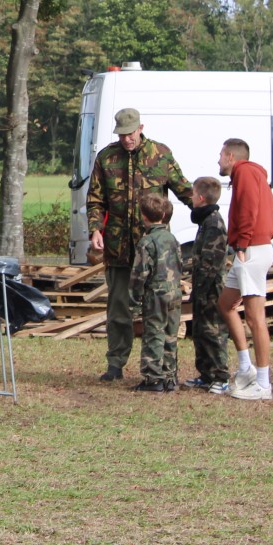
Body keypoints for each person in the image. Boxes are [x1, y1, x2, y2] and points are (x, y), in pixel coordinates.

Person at [86, 107, 193, 382]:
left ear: (140, 128)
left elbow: (184, 189)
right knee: (118, 308)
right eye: (122, 135)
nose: (127, 139)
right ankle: (115, 363)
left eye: (130, 134)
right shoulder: (106, 157)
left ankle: (161, 370)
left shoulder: (160, 154)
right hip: (119, 249)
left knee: (158, 309)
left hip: (155, 251)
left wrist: (206, 213)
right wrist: (95, 229)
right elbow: (95, 199)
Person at [217, 138, 273, 401]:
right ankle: (245, 368)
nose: (218, 160)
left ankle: (263, 384)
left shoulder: (245, 172)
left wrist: (242, 243)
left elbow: (250, 207)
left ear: (231, 156)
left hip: (251, 249)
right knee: (226, 304)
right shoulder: (251, 174)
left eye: (221, 155)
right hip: (249, 249)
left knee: (255, 318)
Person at [182, 175, 233, 393]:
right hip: (202, 286)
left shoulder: (214, 223)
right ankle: (205, 374)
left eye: (193, 194)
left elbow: (211, 261)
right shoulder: (204, 221)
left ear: (201, 198)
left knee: (213, 331)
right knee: (200, 330)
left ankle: (220, 376)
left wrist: (202, 290)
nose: (191, 198)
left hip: (212, 288)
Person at [131, 193, 182, 392]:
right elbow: (179, 265)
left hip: (156, 293)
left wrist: (134, 300)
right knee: (171, 334)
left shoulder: (146, 242)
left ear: (144, 216)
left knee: (154, 333)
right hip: (174, 291)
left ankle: (153, 378)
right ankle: (169, 376)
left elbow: (139, 274)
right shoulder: (173, 239)